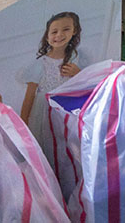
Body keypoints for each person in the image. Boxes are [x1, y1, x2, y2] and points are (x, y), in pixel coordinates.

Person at [18, 11, 83, 143]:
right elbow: (29, 96)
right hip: (44, 111)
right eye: (54, 32)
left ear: (74, 31)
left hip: (67, 107)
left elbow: (85, 85)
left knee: (66, 142)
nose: (59, 35)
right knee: (47, 141)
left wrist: (78, 73)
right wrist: (22, 124)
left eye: (66, 29)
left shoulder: (77, 58)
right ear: (47, 37)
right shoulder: (40, 63)